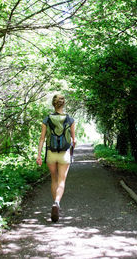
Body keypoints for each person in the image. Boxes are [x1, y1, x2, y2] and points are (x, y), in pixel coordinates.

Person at [36, 94, 76, 222]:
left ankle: (55, 203)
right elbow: (74, 140)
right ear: (63, 104)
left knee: (54, 179)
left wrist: (39, 155)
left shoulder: (46, 119)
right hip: (64, 154)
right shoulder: (70, 120)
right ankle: (57, 203)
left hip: (51, 153)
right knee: (61, 181)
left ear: (54, 104)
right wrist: (72, 144)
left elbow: (42, 139)